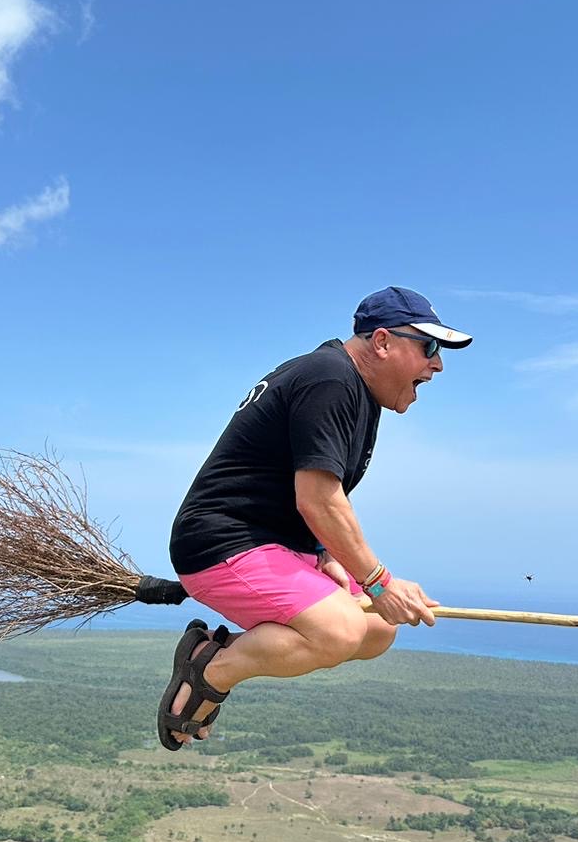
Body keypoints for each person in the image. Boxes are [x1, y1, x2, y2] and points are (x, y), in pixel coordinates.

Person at [158, 286, 473, 749]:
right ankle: (211, 667)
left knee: (377, 629)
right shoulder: (331, 379)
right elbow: (319, 499)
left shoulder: (351, 387)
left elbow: (301, 487)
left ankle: (222, 652)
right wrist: (379, 581)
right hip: (221, 545)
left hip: (275, 544)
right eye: (428, 347)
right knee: (339, 631)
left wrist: (326, 552)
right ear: (382, 342)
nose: (437, 364)